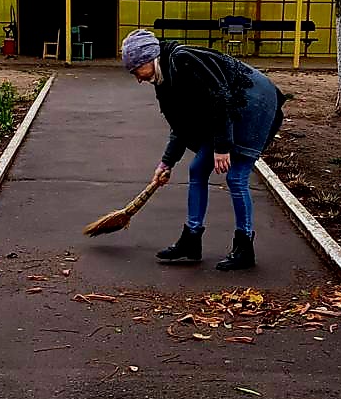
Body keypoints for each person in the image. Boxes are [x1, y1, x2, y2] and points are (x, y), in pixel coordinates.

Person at [121, 28, 285, 270]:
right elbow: (181, 124)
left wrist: (222, 147)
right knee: (197, 169)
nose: (137, 78)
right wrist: (166, 163)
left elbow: (220, 97)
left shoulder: (184, 60)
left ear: (147, 59)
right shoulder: (164, 80)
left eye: (136, 70)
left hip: (253, 103)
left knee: (236, 177)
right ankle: (191, 240)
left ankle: (244, 247)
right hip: (225, 113)